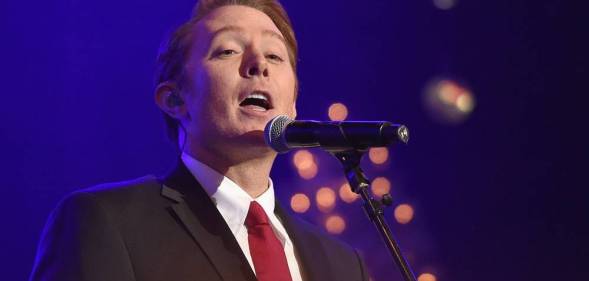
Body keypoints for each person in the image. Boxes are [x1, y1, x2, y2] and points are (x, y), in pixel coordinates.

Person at [30, 1, 369, 280]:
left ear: (293, 105)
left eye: (275, 56)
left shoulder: (342, 265)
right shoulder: (106, 224)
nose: (258, 65)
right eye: (228, 51)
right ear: (175, 100)